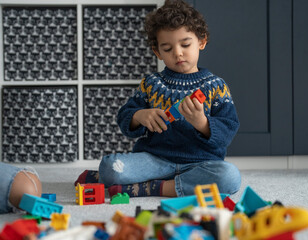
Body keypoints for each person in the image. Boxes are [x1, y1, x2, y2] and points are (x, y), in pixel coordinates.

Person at [75, 0, 241, 198]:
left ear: (202, 42)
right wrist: (139, 116)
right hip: (154, 160)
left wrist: (202, 123)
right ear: (157, 52)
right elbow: (124, 117)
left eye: (185, 44)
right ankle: (120, 178)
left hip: (201, 162)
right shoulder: (151, 83)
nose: (178, 53)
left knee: (229, 177)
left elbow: (228, 130)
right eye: (167, 48)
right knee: (111, 167)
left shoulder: (216, 86)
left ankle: (151, 188)